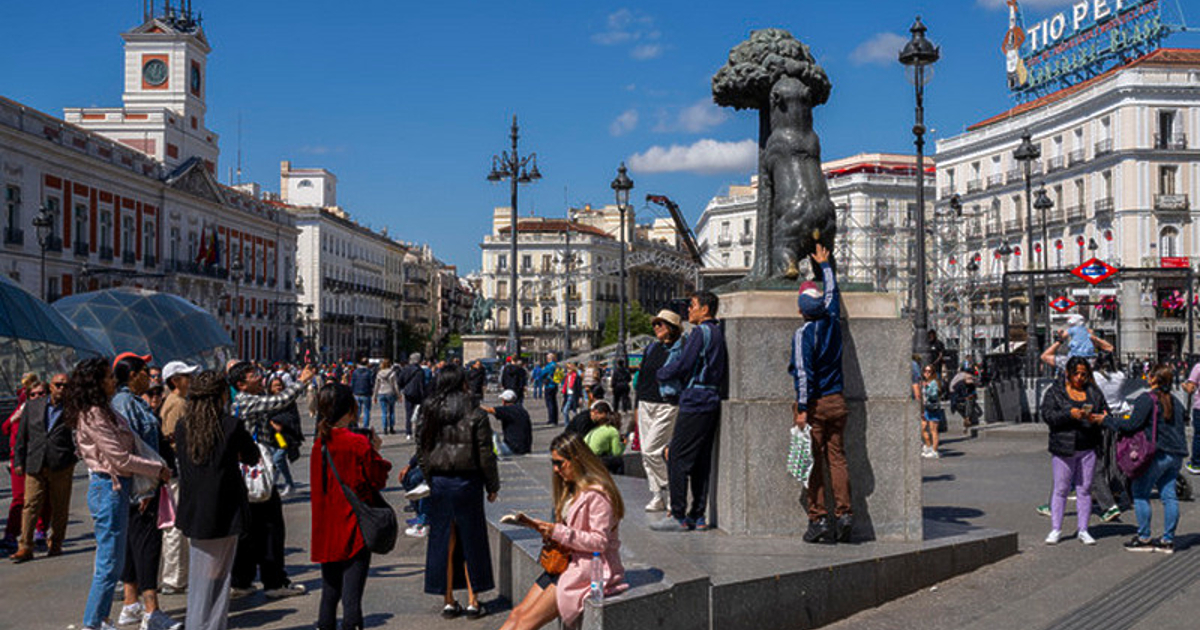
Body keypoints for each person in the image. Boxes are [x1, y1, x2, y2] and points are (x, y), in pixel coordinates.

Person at [69, 358, 171, 630]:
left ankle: (100, 618)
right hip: (108, 486)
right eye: (108, 377)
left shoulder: (104, 410)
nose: (113, 381)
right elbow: (119, 458)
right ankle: (93, 621)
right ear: (96, 382)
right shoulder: (94, 414)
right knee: (109, 562)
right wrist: (157, 469)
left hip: (118, 487)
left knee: (114, 561)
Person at [497, 432, 627, 630]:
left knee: (524, 623)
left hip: (586, 568)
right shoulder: (571, 487)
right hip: (564, 563)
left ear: (576, 460)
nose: (555, 469)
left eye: (560, 463)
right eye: (553, 463)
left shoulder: (598, 495)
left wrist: (556, 531)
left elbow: (600, 542)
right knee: (517, 615)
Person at [174, 371, 260, 630]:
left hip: (195, 510)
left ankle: (199, 623)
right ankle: (210, 626)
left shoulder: (182, 426)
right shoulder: (230, 425)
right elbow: (251, 456)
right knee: (220, 576)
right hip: (225, 509)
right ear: (222, 395)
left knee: (200, 573)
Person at [418, 364, 500, 619]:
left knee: (444, 540)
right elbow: (485, 453)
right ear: (463, 382)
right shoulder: (475, 412)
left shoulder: (429, 410)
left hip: (441, 482)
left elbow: (422, 449)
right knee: (472, 540)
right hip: (468, 482)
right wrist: (492, 485)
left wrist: (429, 476)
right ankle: (474, 601)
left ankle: (448, 600)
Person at [227, 361, 314, 600]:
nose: (259, 376)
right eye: (253, 375)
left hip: (247, 473)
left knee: (247, 529)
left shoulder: (242, 400)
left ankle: (241, 581)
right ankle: (274, 581)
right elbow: (279, 401)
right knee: (271, 527)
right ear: (241, 384)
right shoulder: (246, 401)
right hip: (254, 471)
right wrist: (302, 381)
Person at [311, 383, 392, 630]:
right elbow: (376, 480)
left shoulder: (319, 443)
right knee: (352, 598)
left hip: (326, 527)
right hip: (353, 526)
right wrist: (375, 450)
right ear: (351, 409)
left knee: (329, 593)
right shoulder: (356, 443)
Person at [110, 353, 180, 630]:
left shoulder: (130, 402)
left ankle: (131, 603)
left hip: (140, 485)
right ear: (132, 375)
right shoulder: (126, 403)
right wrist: (145, 486)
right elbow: (131, 447)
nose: (149, 377)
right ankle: (152, 610)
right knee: (147, 546)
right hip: (142, 487)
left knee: (131, 545)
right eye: (144, 372)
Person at [788, 244, 853, 543]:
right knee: (837, 458)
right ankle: (844, 513)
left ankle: (819, 519)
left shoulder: (804, 334)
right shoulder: (831, 322)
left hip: (815, 404)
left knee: (812, 464)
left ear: (801, 310)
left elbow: (804, 374)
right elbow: (832, 294)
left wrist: (802, 408)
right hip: (838, 400)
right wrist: (825, 266)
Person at [650, 291, 728, 532]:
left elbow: (685, 363)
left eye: (693, 306)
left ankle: (679, 516)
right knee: (700, 460)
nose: (689, 311)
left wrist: (662, 373)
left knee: (676, 456)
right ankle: (698, 515)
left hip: (695, 399)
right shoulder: (716, 332)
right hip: (711, 399)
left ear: (705, 309)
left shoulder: (699, 332)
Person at [1106, 364, 1188, 553]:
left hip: (1156, 453)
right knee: (1169, 496)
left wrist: (1107, 420)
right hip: (1176, 454)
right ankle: (1168, 540)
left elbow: (1131, 424)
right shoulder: (1174, 400)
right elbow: (1182, 419)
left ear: (1152, 379)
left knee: (1140, 492)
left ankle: (1144, 538)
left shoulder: (1147, 399)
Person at [1040, 356, 1108, 546]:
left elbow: (1105, 411)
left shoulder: (1093, 392)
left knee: (1085, 489)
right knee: (1061, 489)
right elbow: (1048, 415)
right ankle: (1056, 529)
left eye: (1084, 374)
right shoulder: (1056, 392)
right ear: (1067, 373)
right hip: (1064, 447)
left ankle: (1084, 529)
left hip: (1088, 446)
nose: (1080, 377)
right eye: (1076, 373)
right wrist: (1069, 414)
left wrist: (1098, 417)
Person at [10, 373, 74, 562]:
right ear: (50, 387)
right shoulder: (33, 405)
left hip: (61, 464)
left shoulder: (72, 409)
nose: (62, 389)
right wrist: (18, 462)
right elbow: (22, 435)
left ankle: (56, 543)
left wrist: (73, 457)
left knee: (60, 507)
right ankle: (25, 546)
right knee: (30, 505)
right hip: (35, 462)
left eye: (65, 386)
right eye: (58, 385)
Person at [635, 310, 683, 513]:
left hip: (667, 403)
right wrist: (636, 405)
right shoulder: (651, 348)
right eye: (654, 325)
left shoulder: (681, 348)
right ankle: (657, 496)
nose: (655, 328)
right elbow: (643, 376)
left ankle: (672, 488)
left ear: (670, 328)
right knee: (645, 454)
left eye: (660, 325)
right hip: (646, 403)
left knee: (652, 450)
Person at [158, 361, 199, 595]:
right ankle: (173, 578)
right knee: (175, 527)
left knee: (178, 526)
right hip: (177, 472)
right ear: (175, 381)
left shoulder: (179, 402)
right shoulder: (177, 404)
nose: (190, 380)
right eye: (186, 376)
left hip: (178, 471)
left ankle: (178, 576)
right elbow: (174, 440)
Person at [3, 374, 44, 552]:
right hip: (18, 459)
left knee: (40, 496)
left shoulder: (43, 410)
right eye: (31, 395)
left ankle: (39, 531)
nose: (35, 398)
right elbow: (5, 428)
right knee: (19, 498)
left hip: (36, 457)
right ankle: (12, 534)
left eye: (40, 394)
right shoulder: (20, 410)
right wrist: (14, 418)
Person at [266, 376, 304, 496]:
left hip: (286, 436)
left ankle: (277, 482)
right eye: (275, 385)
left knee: (277, 459)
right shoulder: (268, 400)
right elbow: (264, 416)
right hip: (273, 436)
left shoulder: (288, 401)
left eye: (280, 385)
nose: (278, 388)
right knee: (278, 461)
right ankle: (287, 484)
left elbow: (292, 417)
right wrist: (272, 423)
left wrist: (281, 422)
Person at [482, 390, 533, 456]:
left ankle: (497, 453)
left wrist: (477, 406)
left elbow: (490, 410)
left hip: (512, 448)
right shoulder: (522, 410)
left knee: (493, 434)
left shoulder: (507, 409)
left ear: (504, 401)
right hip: (525, 448)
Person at [584, 403, 626, 475]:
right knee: (619, 461)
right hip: (594, 459)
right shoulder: (613, 431)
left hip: (584, 457)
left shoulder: (595, 429)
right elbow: (616, 453)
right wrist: (623, 444)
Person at [398, 353, 426, 439]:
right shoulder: (420, 370)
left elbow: (400, 381)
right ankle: (417, 431)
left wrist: (403, 388)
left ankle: (408, 432)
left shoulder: (405, 369)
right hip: (418, 394)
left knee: (408, 413)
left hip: (408, 393)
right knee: (418, 413)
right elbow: (422, 383)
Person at [919, 365, 944, 460]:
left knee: (934, 430)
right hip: (927, 408)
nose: (926, 373)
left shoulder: (934, 382)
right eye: (925, 371)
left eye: (929, 371)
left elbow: (934, 395)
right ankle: (929, 446)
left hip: (933, 408)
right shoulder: (927, 382)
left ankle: (934, 450)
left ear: (933, 373)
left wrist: (927, 388)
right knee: (924, 427)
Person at [1182, 357, 1200, 476]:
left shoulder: (1198, 367)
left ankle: (1196, 464)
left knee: (1199, 436)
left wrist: (1184, 385)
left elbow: (1190, 388)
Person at [373, 359, 400, 435]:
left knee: (384, 412)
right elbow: (395, 385)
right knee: (391, 411)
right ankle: (391, 428)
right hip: (390, 392)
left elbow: (376, 385)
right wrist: (398, 395)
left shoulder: (379, 374)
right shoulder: (392, 373)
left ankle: (385, 428)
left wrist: (374, 396)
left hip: (381, 393)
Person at [349, 359, 375, 430]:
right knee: (367, 411)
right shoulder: (369, 372)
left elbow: (352, 383)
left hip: (356, 393)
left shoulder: (355, 372)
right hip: (366, 394)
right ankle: (365, 427)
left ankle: (356, 425)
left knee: (357, 411)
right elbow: (371, 383)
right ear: (366, 364)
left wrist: (351, 392)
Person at [542, 354, 560, 426]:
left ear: (549, 359)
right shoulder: (557, 365)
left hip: (549, 385)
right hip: (555, 385)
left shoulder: (549, 366)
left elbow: (542, 373)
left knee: (549, 403)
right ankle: (555, 419)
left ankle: (551, 419)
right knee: (554, 403)